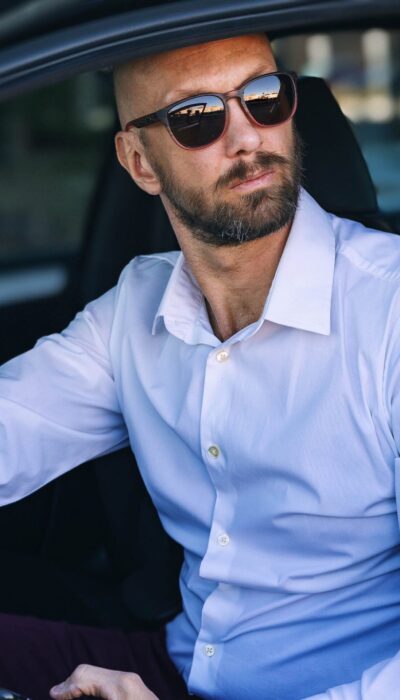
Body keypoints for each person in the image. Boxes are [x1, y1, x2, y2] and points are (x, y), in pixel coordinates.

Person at [0, 31, 400, 700]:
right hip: (172, 667)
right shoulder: (136, 306)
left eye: (265, 98)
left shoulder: (387, 314)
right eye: (198, 118)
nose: (248, 137)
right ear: (139, 162)